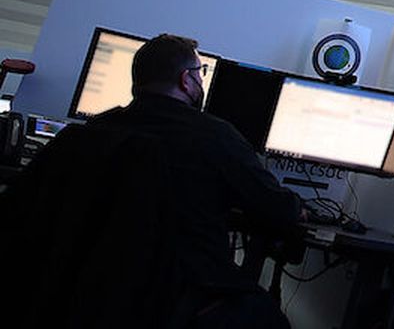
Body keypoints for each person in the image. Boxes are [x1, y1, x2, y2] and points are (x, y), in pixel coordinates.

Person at [0, 33, 307, 328]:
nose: (200, 80)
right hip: (168, 298)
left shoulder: (83, 134)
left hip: (74, 294)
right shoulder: (215, 137)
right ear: (186, 80)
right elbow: (279, 210)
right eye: (200, 73)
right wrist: (299, 207)